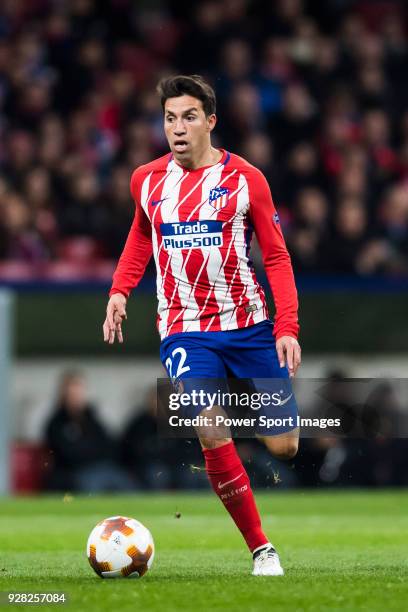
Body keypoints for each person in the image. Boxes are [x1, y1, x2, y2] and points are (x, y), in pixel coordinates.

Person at [103, 75, 301, 576]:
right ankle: (262, 549)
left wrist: (287, 326)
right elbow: (139, 237)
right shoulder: (146, 180)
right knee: (210, 427)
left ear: (210, 121)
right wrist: (120, 292)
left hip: (250, 326)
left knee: (286, 445)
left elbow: (276, 256)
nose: (178, 127)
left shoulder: (246, 179)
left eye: (189, 116)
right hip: (184, 328)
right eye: (170, 118)